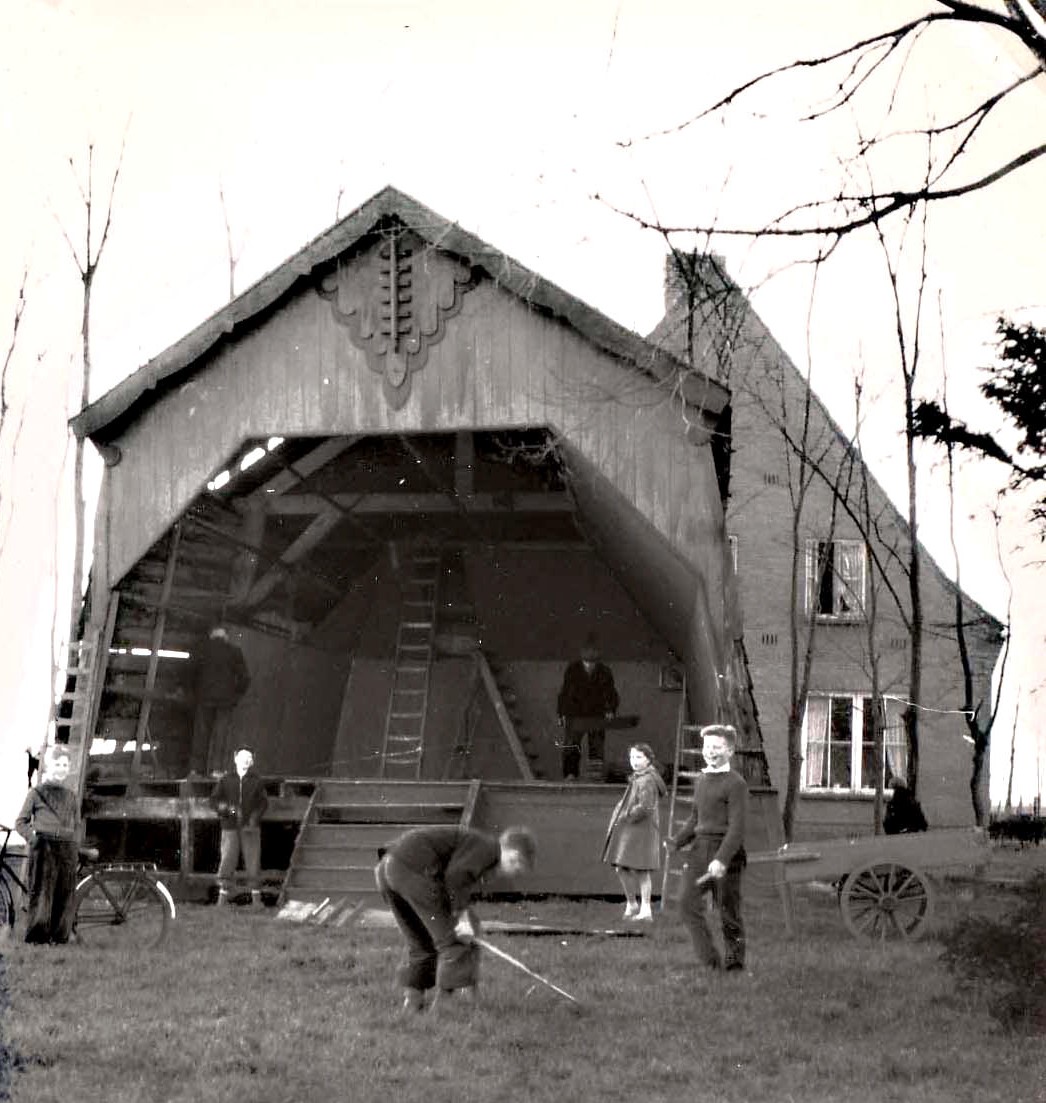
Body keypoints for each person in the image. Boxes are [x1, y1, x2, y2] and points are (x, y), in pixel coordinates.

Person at [374, 824, 537, 1013]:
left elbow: (454, 880)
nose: (514, 870)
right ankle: (443, 1010)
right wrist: (463, 916)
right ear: (511, 852)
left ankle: (411, 1004)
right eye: (516, 863)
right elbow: (455, 877)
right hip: (413, 872)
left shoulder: (475, 845)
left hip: (389, 868)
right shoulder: (487, 848)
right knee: (453, 940)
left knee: (422, 941)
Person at [666, 723, 748, 973]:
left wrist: (722, 859)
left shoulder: (736, 784)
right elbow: (695, 819)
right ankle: (711, 962)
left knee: (728, 912)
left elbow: (737, 828)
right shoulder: (701, 779)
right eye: (707, 746)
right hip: (699, 852)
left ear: (730, 751)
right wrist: (677, 841)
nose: (711, 752)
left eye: (717, 747)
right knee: (685, 903)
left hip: (726, 855)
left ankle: (735, 965)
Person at [15, 745, 82, 945]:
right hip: (44, 850)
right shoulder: (36, 793)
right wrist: (34, 839)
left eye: (65, 764)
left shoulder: (71, 795)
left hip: (66, 850)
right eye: (57, 764)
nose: (61, 768)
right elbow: (21, 823)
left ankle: (59, 937)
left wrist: (74, 844)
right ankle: (38, 939)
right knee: (42, 893)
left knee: (64, 894)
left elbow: (77, 824)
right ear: (47, 766)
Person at [602, 742, 668, 921]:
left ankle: (645, 910)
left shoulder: (647, 779)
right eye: (632, 757)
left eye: (639, 757)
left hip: (641, 830)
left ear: (648, 760)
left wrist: (627, 815)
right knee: (621, 867)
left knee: (641, 870)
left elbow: (645, 807)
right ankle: (632, 904)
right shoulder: (640, 777)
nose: (635, 761)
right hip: (632, 830)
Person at [210, 745, 269, 907]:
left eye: (249, 758)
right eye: (243, 756)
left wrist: (254, 818)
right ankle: (222, 900)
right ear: (235, 759)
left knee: (253, 860)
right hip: (230, 826)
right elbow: (214, 801)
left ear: (252, 762)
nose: (246, 760)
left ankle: (256, 900)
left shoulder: (257, 781)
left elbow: (263, 803)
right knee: (228, 860)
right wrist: (228, 809)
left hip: (251, 828)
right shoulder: (225, 780)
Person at [556, 633, 619, 780]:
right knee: (571, 745)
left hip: (596, 714)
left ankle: (595, 776)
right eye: (587, 662)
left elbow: (611, 694)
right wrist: (562, 714)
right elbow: (565, 694)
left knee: (596, 746)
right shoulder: (573, 670)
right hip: (575, 714)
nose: (590, 665)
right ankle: (570, 774)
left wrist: (610, 710)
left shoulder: (604, 671)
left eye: (593, 663)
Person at [189, 625, 251, 775]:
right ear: (226, 636)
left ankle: (196, 770)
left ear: (211, 635)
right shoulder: (234, 651)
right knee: (221, 735)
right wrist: (235, 695)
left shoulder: (201, 649)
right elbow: (245, 678)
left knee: (201, 734)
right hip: (225, 701)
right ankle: (217, 770)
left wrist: (195, 692)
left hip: (204, 698)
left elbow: (190, 673)